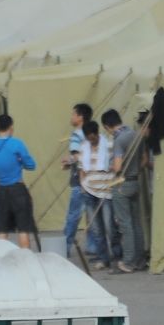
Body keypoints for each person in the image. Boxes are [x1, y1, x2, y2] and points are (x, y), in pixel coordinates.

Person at [100, 108, 145, 272]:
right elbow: (145, 160)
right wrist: (134, 172)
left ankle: (128, 262)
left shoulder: (119, 140)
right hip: (135, 182)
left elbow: (118, 166)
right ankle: (139, 260)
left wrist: (112, 166)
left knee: (125, 225)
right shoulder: (135, 134)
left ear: (107, 126)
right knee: (136, 223)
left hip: (121, 184)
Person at [0, 114, 38, 251]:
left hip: (2, 191)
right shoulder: (16, 144)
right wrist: (20, 161)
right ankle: (27, 261)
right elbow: (31, 165)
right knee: (23, 228)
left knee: (2, 229)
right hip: (18, 190)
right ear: (11, 127)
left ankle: (2, 263)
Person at [74, 121, 119, 267]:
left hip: (105, 191)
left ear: (97, 134)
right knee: (96, 228)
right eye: (88, 138)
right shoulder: (83, 147)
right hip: (89, 190)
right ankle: (103, 258)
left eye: (93, 138)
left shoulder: (109, 145)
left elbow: (115, 166)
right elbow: (81, 168)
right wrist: (82, 185)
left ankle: (118, 256)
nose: (91, 141)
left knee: (109, 226)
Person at [60, 103, 93, 257]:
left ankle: (64, 247)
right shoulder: (93, 133)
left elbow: (78, 156)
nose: (71, 117)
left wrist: (69, 160)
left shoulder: (76, 134)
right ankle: (93, 247)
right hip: (94, 179)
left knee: (73, 215)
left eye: (73, 114)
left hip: (80, 180)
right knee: (92, 215)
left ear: (80, 117)